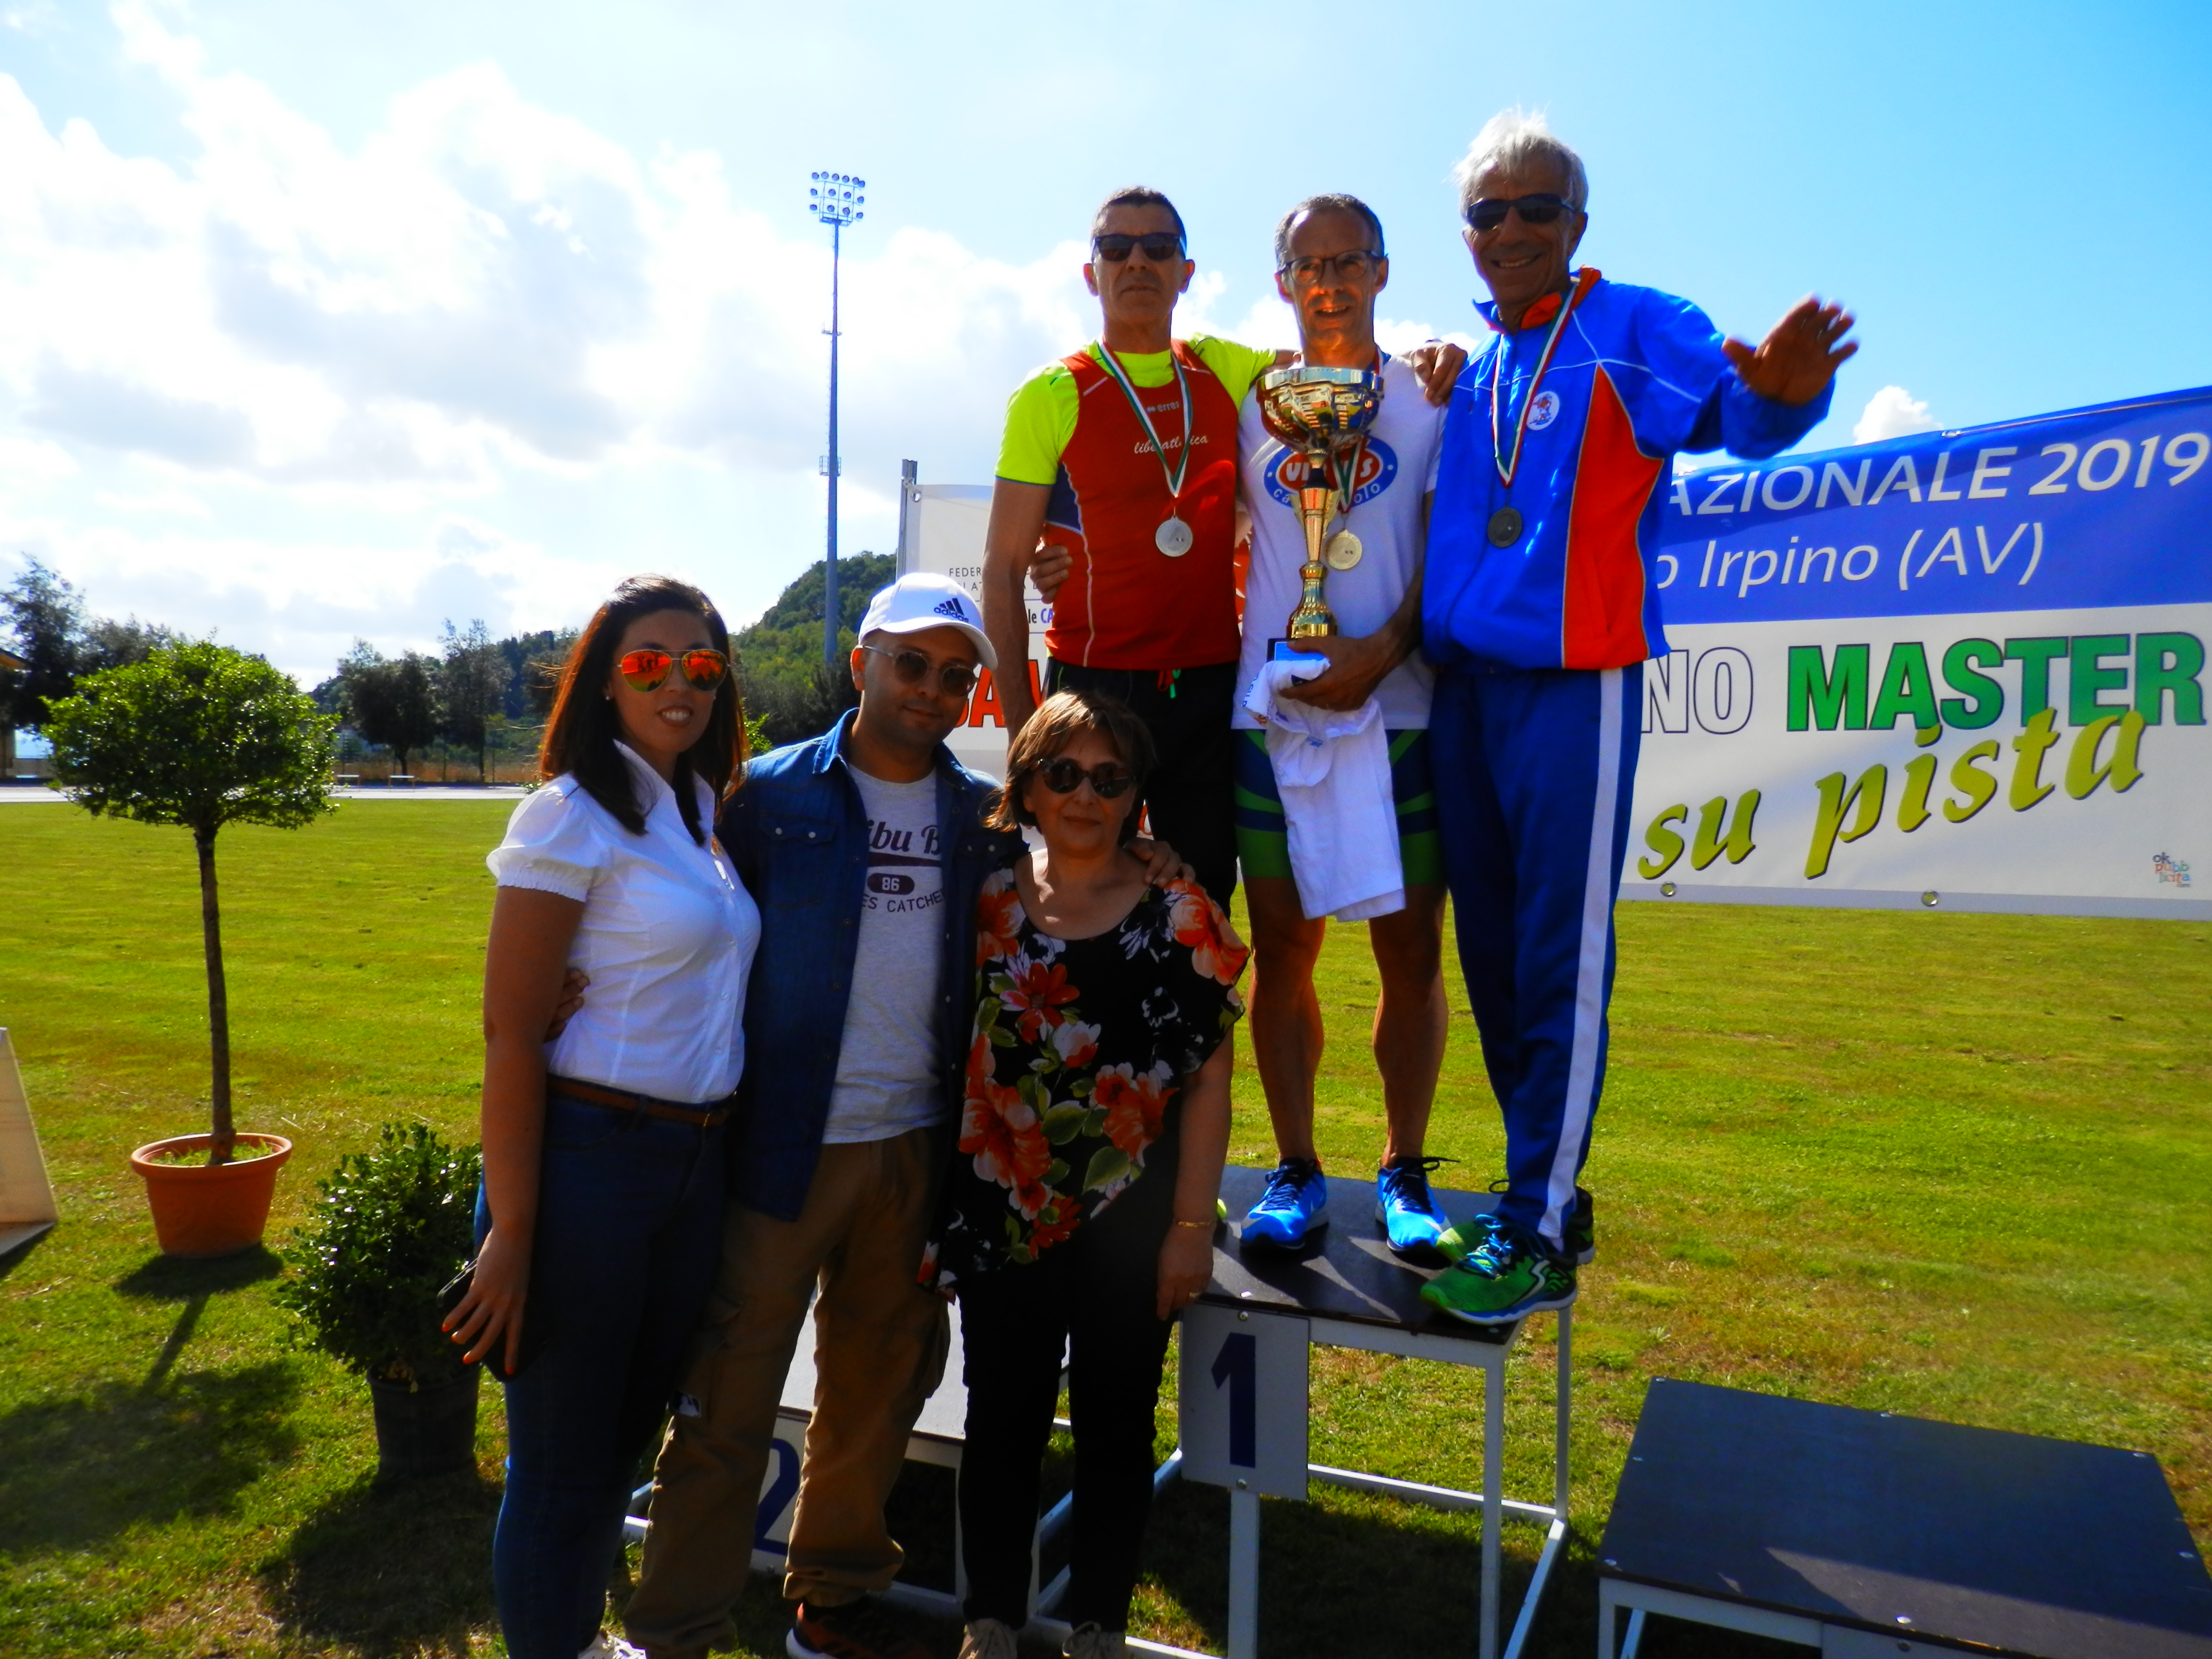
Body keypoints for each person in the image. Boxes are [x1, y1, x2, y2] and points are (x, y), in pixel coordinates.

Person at [620, 575, 1184, 1659]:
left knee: (878, 1393)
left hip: (924, 1150)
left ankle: (829, 1602)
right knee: (729, 1398)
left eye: (955, 675)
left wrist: (1149, 852)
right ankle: (674, 1628)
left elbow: (1073, 870)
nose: (932, 688)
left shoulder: (983, 818)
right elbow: (685, 922)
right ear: (862, 664)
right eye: (911, 663)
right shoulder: (762, 798)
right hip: (782, 1146)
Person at [1417, 110, 1856, 1326]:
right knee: (1492, 962)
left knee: (1557, 959)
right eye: (1488, 211)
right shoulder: (1478, 367)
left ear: (1576, 222)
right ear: (1465, 231)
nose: (1511, 229)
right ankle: (1539, 1197)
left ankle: (1534, 1223)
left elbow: (1733, 411)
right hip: (1462, 696)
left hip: (1574, 681)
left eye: (1536, 208)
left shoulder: (1631, 323)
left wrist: (1784, 402)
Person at [981, 186, 1462, 909]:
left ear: (1186, 271)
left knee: (1202, 910)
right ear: (1091, 273)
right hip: (1093, 685)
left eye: (1158, 248)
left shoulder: (1230, 371)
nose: (1137, 262)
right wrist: (1024, 734)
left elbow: (1336, 357)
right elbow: (1001, 570)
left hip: (1208, 689)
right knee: (1082, 898)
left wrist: (1432, 355)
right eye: (1116, 248)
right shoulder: (1049, 392)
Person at [445, 575, 760, 1659]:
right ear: (604, 682)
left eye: (702, 666)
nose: (679, 683)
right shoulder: (568, 813)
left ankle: (576, 1638)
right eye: (648, 663)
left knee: (620, 1443)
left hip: (692, 1167)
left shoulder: (703, 812)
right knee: (560, 1468)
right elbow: (509, 1035)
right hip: (590, 1165)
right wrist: (513, 1234)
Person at [933, 690, 1248, 1659]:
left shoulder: (1180, 909)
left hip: (1135, 1225)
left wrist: (1190, 1230)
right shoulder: (985, 898)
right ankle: (990, 1619)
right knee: (1001, 1424)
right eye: (1063, 773)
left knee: (1117, 1430)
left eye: (1110, 779)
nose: (1085, 796)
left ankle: (1099, 1628)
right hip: (1003, 1213)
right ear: (1026, 785)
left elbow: (1210, 1080)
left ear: (1136, 796)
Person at [1228, 193, 1454, 1262]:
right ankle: (1296, 1167)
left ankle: (1404, 1169)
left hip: (1400, 709)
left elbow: (1447, 554)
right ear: (1282, 282)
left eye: (1348, 260)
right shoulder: (1251, 400)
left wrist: (1385, 650)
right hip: (1273, 714)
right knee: (1283, 948)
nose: (1329, 282)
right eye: (1308, 265)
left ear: (1381, 271)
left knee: (1410, 951)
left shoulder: (1432, 394)